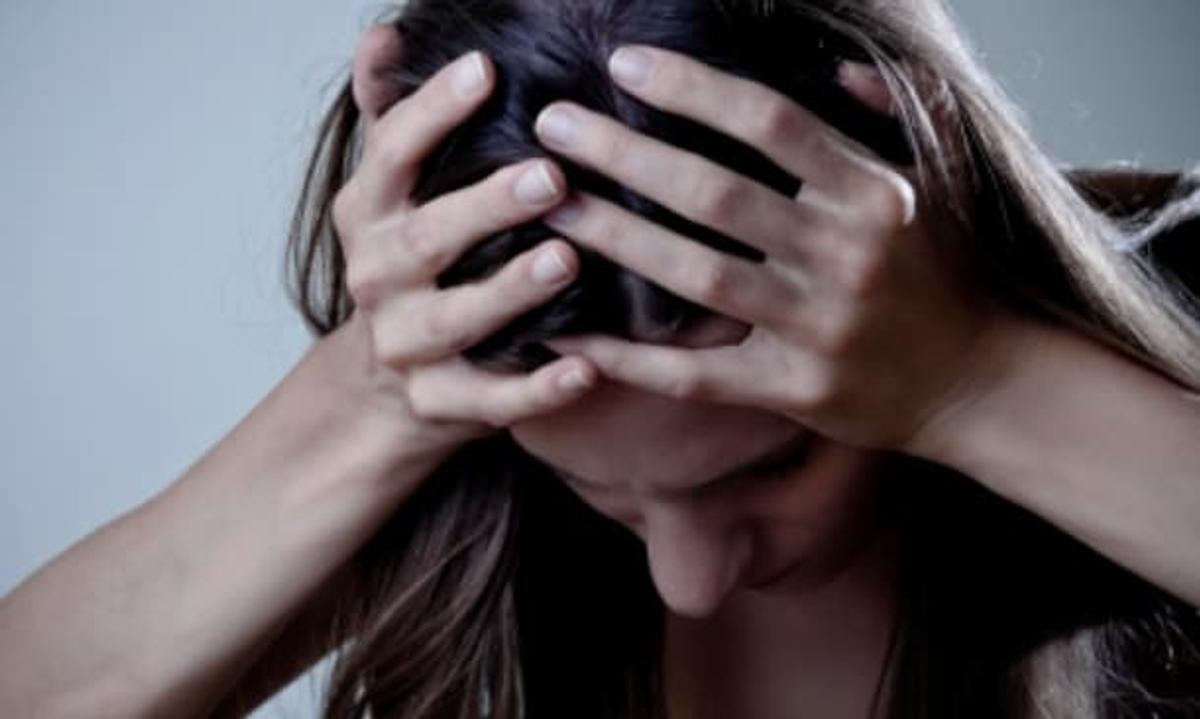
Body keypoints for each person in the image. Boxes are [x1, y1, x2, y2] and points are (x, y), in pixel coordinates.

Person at [3, 0, 1199, 717]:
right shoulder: (457, 443)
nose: (688, 578)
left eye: (771, 463)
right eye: (596, 484)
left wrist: (974, 380)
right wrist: (374, 389)